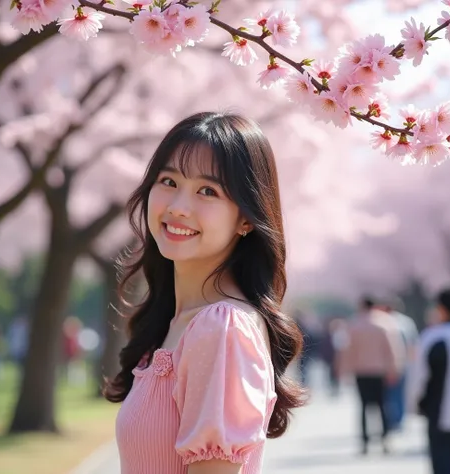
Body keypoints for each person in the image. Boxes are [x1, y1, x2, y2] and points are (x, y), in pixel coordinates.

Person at [104, 112, 305, 474]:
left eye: (207, 191)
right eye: (168, 181)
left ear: (246, 218)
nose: (178, 207)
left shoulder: (221, 327)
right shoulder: (177, 320)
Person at [339, 297, 402, 455]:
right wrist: (394, 369)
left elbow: (347, 351)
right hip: (380, 371)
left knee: (364, 407)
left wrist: (345, 371)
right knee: (382, 406)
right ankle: (385, 439)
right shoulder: (384, 324)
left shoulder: (354, 324)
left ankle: (365, 442)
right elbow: (392, 349)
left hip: (361, 371)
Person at [408, 287, 450, 474]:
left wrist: (415, 405)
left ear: (441, 309)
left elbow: (418, 378)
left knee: (442, 460)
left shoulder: (432, 336)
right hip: (440, 408)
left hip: (438, 409)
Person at [378, 298, 418, 431]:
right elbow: (413, 344)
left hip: (385, 364)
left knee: (388, 394)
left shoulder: (382, 321)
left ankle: (391, 419)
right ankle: (398, 419)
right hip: (404, 362)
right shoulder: (407, 322)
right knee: (399, 392)